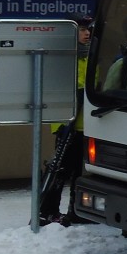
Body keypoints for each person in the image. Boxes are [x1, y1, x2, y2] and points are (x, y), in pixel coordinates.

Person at [39, 14, 92, 225]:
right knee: (60, 170)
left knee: (79, 172)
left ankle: (75, 211)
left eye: (88, 29)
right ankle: (48, 211)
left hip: (86, 124)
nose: (87, 33)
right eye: (82, 29)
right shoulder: (61, 57)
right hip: (66, 123)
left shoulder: (89, 57)